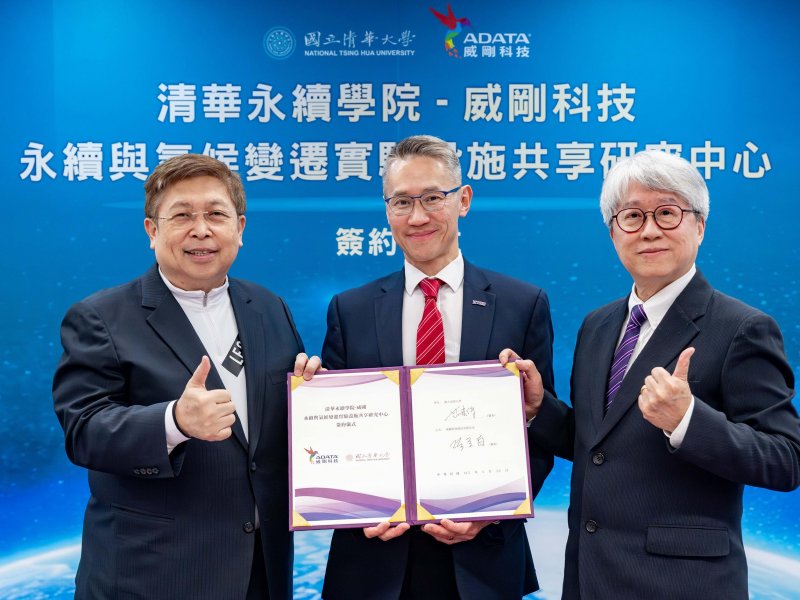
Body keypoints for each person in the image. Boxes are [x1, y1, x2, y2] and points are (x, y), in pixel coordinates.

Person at [501, 149, 800, 599]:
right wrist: (540, 408)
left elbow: (786, 459)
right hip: (588, 578)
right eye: (632, 216)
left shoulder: (742, 328)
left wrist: (687, 421)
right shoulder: (598, 325)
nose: (650, 230)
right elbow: (599, 444)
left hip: (681, 585)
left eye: (667, 213)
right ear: (613, 232)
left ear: (700, 225)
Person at [53, 154, 319, 599]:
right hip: (153, 576)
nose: (201, 229)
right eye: (181, 216)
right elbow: (84, 431)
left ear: (240, 228)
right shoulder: (101, 317)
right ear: (151, 230)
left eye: (216, 214)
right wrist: (174, 422)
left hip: (261, 571)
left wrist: (312, 399)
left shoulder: (269, 307)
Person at [320, 135, 556, 600]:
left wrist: (491, 512)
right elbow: (337, 438)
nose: (417, 217)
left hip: (482, 558)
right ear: (387, 209)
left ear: (463, 200)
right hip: (373, 561)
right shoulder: (349, 310)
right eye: (402, 202)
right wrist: (355, 507)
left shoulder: (522, 304)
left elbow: (539, 429)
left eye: (432, 198)